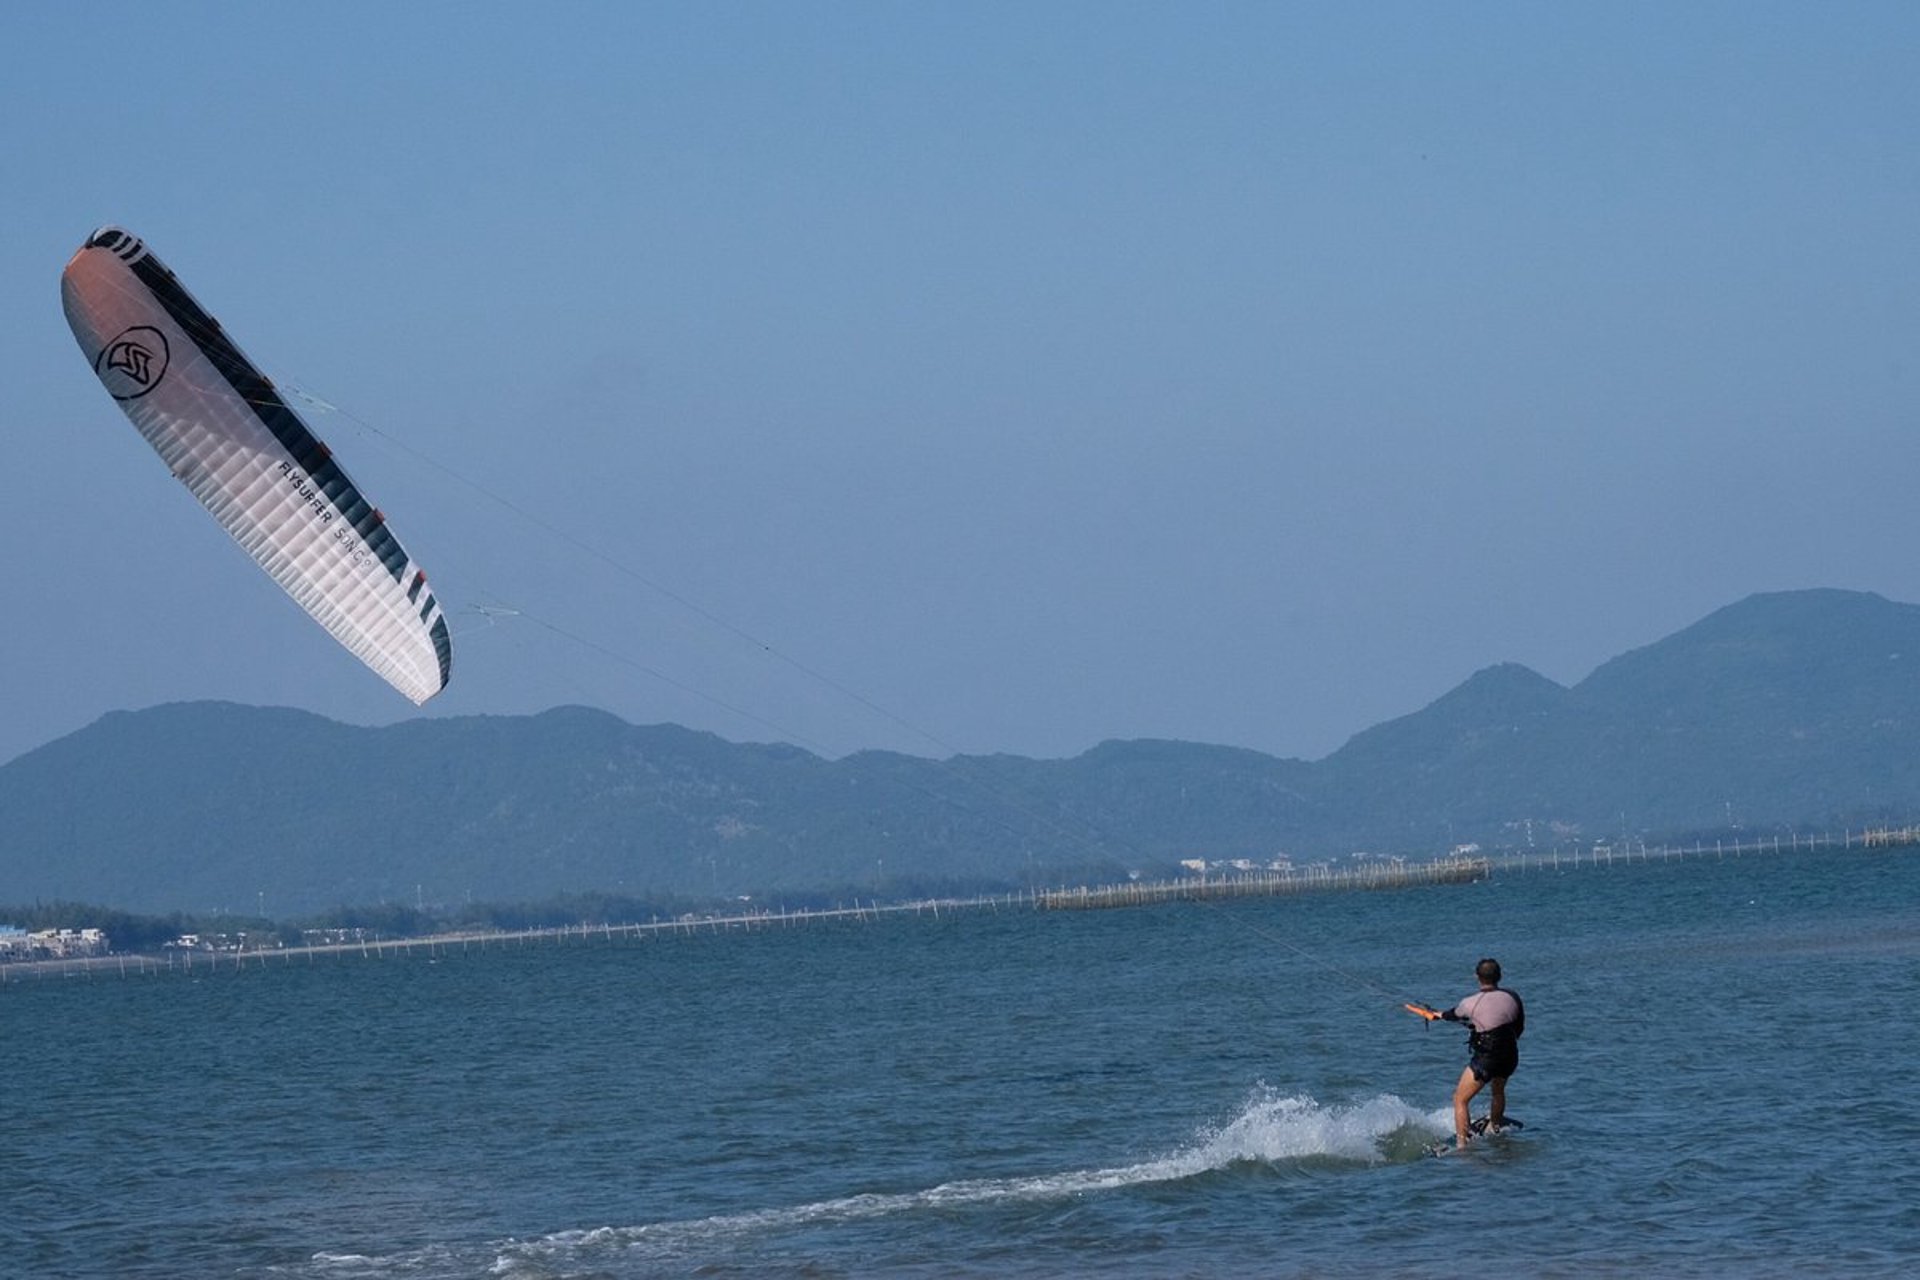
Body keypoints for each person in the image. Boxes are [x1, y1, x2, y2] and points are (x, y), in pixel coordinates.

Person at [1438, 957, 1524, 1148]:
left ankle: (1462, 1146)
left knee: (1460, 1099)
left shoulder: (1469, 1003)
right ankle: (1495, 1125)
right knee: (1498, 1090)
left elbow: (1451, 1015)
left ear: (1477, 977)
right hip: (1510, 1055)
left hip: (1487, 1058)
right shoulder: (1513, 997)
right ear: (1499, 976)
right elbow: (1519, 1027)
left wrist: (1436, 1015)